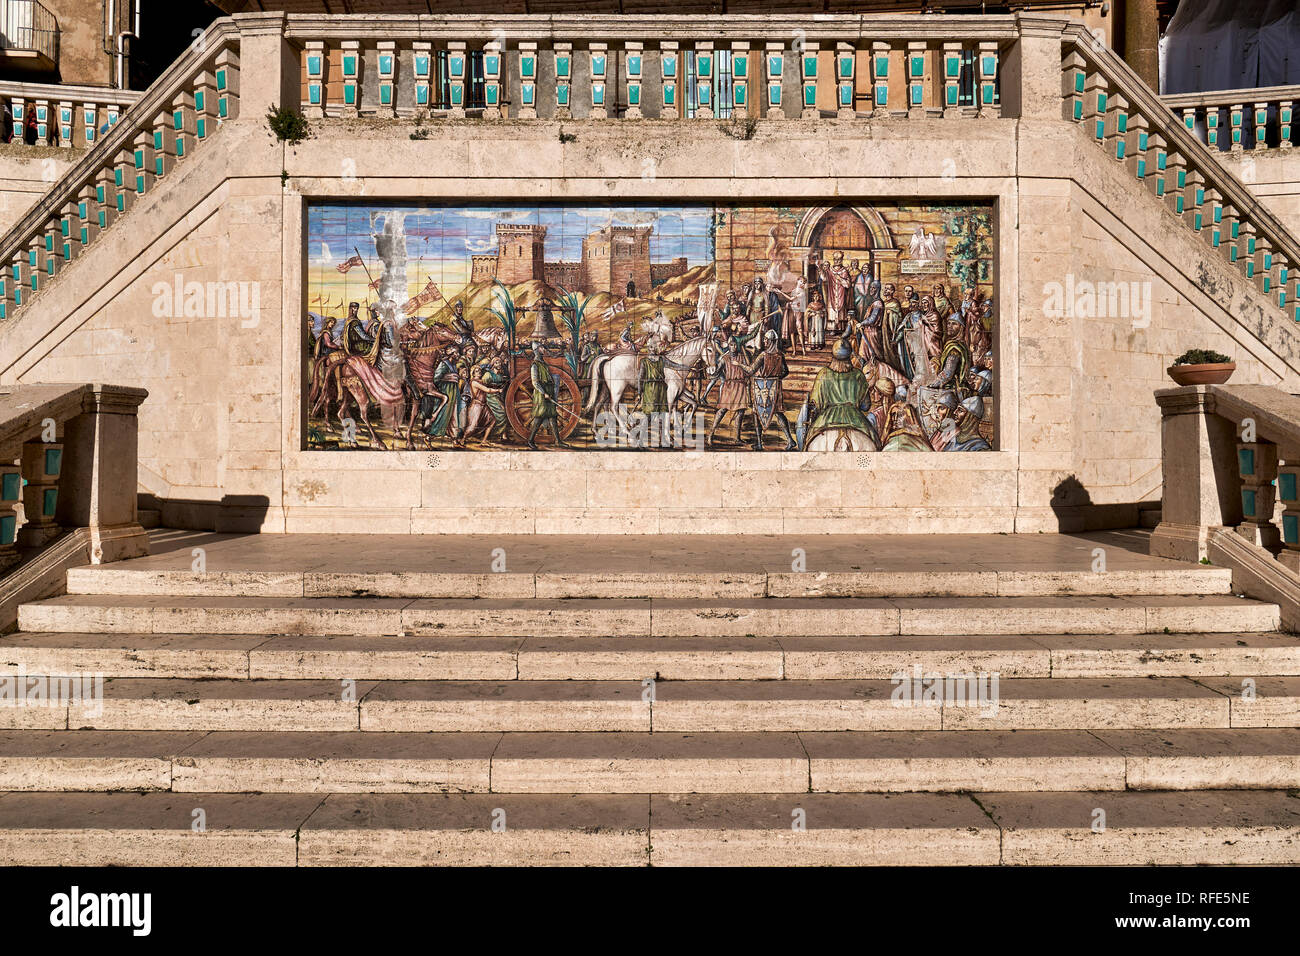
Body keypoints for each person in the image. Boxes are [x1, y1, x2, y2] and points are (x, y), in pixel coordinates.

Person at [802, 340, 878, 451]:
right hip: (856, 419)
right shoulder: (858, 375)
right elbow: (866, 406)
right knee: (876, 442)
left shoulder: (823, 374)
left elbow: (816, 405)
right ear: (849, 356)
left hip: (826, 419)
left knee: (807, 442)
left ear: (832, 356)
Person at [746, 330, 796, 450]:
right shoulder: (780, 355)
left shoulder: (763, 355)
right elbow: (786, 371)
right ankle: (790, 439)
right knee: (778, 413)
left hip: (761, 388)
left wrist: (739, 364)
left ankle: (759, 442)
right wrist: (776, 379)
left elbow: (751, 370)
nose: (764, 341)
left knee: (757, 413)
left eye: (765, 340)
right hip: (775, 388)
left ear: (769, 341)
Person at [707, 339, 753, 448]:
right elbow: (717, 372)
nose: (734, 347)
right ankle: (711, 434)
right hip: (729, 385)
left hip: (741, 385)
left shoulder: (743, 357)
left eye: (735, 345)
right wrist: (711, 371)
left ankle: (737, 438)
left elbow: (748, 370)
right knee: (722, 410)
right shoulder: (725, 358)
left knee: (740, 411)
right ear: (729, 346)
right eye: (731, 345)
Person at [526, 341, 569, 449]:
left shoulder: (543, 364)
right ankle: (530, 440)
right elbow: (535, 382)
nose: (544, 349)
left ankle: (558, 441)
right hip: (541, 394)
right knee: (539, 417)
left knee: (552, 416)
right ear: (536, 350)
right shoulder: (535, 365)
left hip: (548, 391)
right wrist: (544, 393)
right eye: (541, 348)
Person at [639, 340, 669, 415]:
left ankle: (660, 423)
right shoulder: (644, 361)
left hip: (661, 387)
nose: (653, 349)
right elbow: (641, 377)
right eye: (651, 347)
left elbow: (673, 365)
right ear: (648, 349)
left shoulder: (662, 360)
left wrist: (686, 367)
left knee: (662, 409)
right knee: (650, 409)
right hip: (650, 388)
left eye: (654, 347)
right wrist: (640, 391)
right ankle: (646, 422)